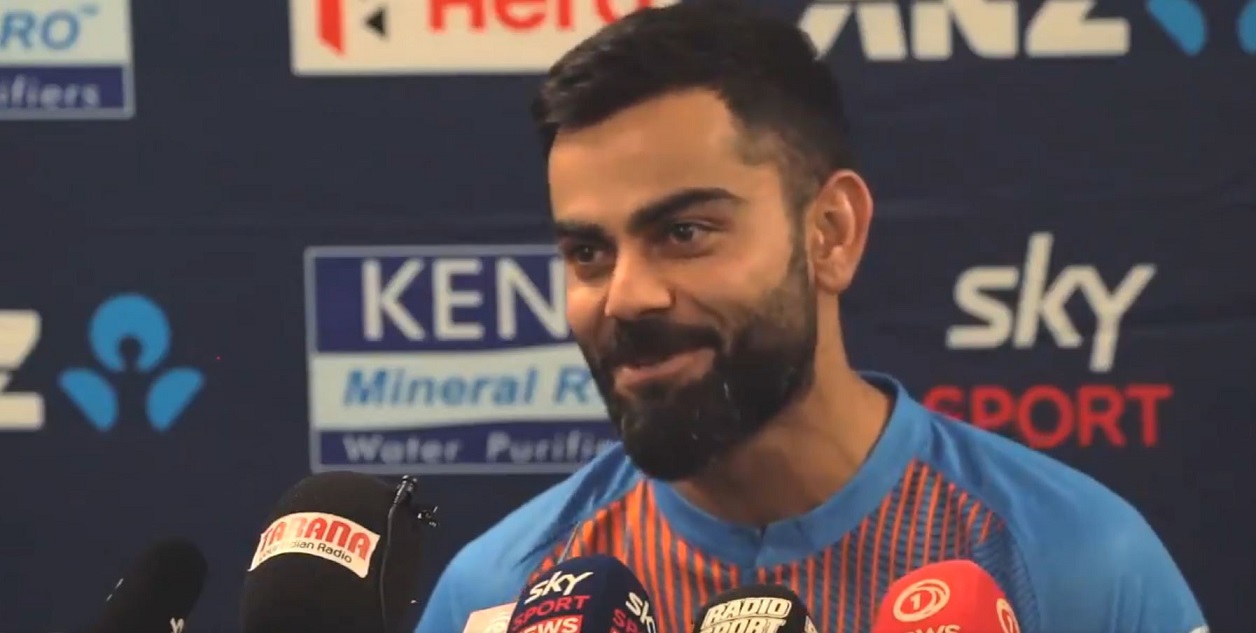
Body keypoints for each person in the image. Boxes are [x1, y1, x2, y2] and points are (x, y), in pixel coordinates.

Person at [415, 2, 1207, 632]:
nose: (626, 296)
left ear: (830, 233)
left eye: (684, 232)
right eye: (588, 252)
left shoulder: (1075, 563)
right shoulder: (503, 596)